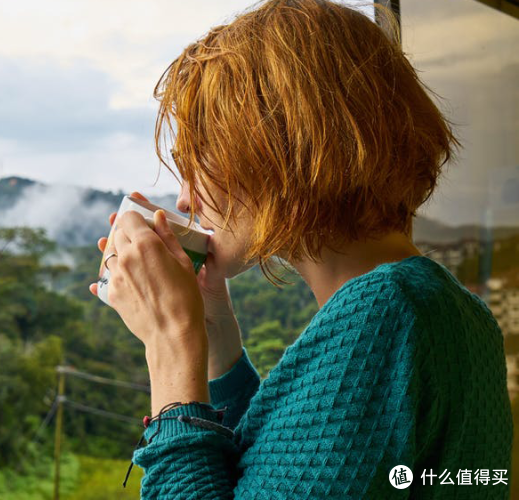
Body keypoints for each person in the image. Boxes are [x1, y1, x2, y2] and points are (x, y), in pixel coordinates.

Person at [87, 0, 513, 498]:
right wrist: (215, 338)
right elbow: (285, 470)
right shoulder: (454, 312)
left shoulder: (383, 314)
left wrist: (170, 345)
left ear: (275, 145)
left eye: (195, 162)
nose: (184, 198)